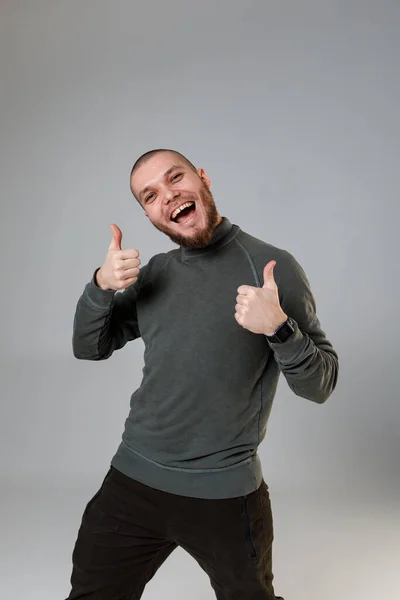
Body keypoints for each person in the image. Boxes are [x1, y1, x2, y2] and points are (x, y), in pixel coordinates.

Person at [66, 148, 339, 600]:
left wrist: (279, 328)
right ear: (150, 214)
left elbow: (321, 385)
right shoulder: (156, 273)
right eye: (151, 195)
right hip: (133, 482)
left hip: (224, 496)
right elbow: (88, 348)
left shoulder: (272, 268)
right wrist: (100, 286)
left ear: (203, 179)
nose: (168, 195)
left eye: (176, 178)